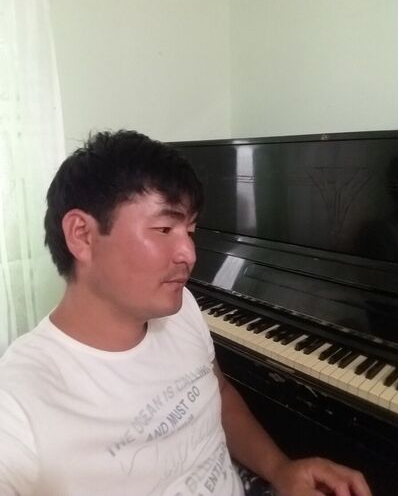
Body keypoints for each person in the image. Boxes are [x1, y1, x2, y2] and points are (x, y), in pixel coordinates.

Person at [0, 130, 371, 496]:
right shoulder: (17, 405)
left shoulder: (182, 309)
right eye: (164, 228)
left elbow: (218, 391)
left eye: (190, 231)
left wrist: (281, 470)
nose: (190, 254)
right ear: (82, 235)